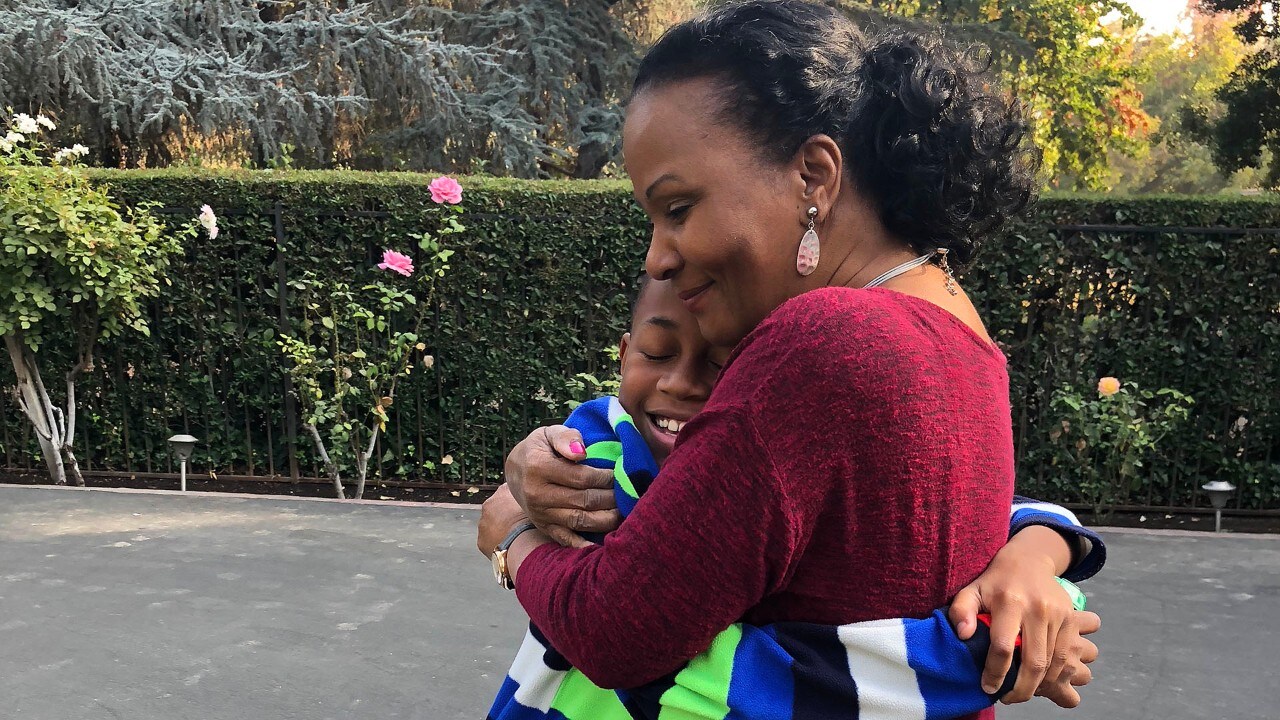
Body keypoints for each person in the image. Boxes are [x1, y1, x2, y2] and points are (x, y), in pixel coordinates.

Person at [480, 2, 1103, 718]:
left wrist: (511, 535)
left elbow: (617, 628)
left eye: (677, 208)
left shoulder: (830, 340)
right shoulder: (964, 337)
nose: (657, 254)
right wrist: (1043, 543)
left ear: (813, 174)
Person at [485, 275, 1103, 720]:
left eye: (726, 364)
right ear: (623, 353)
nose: (680, 382)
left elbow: (962, 505)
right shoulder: (594, 464)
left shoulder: (769, 448)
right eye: (656, 353)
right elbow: (616, 632)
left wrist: (1038, 554)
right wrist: (980, 659)